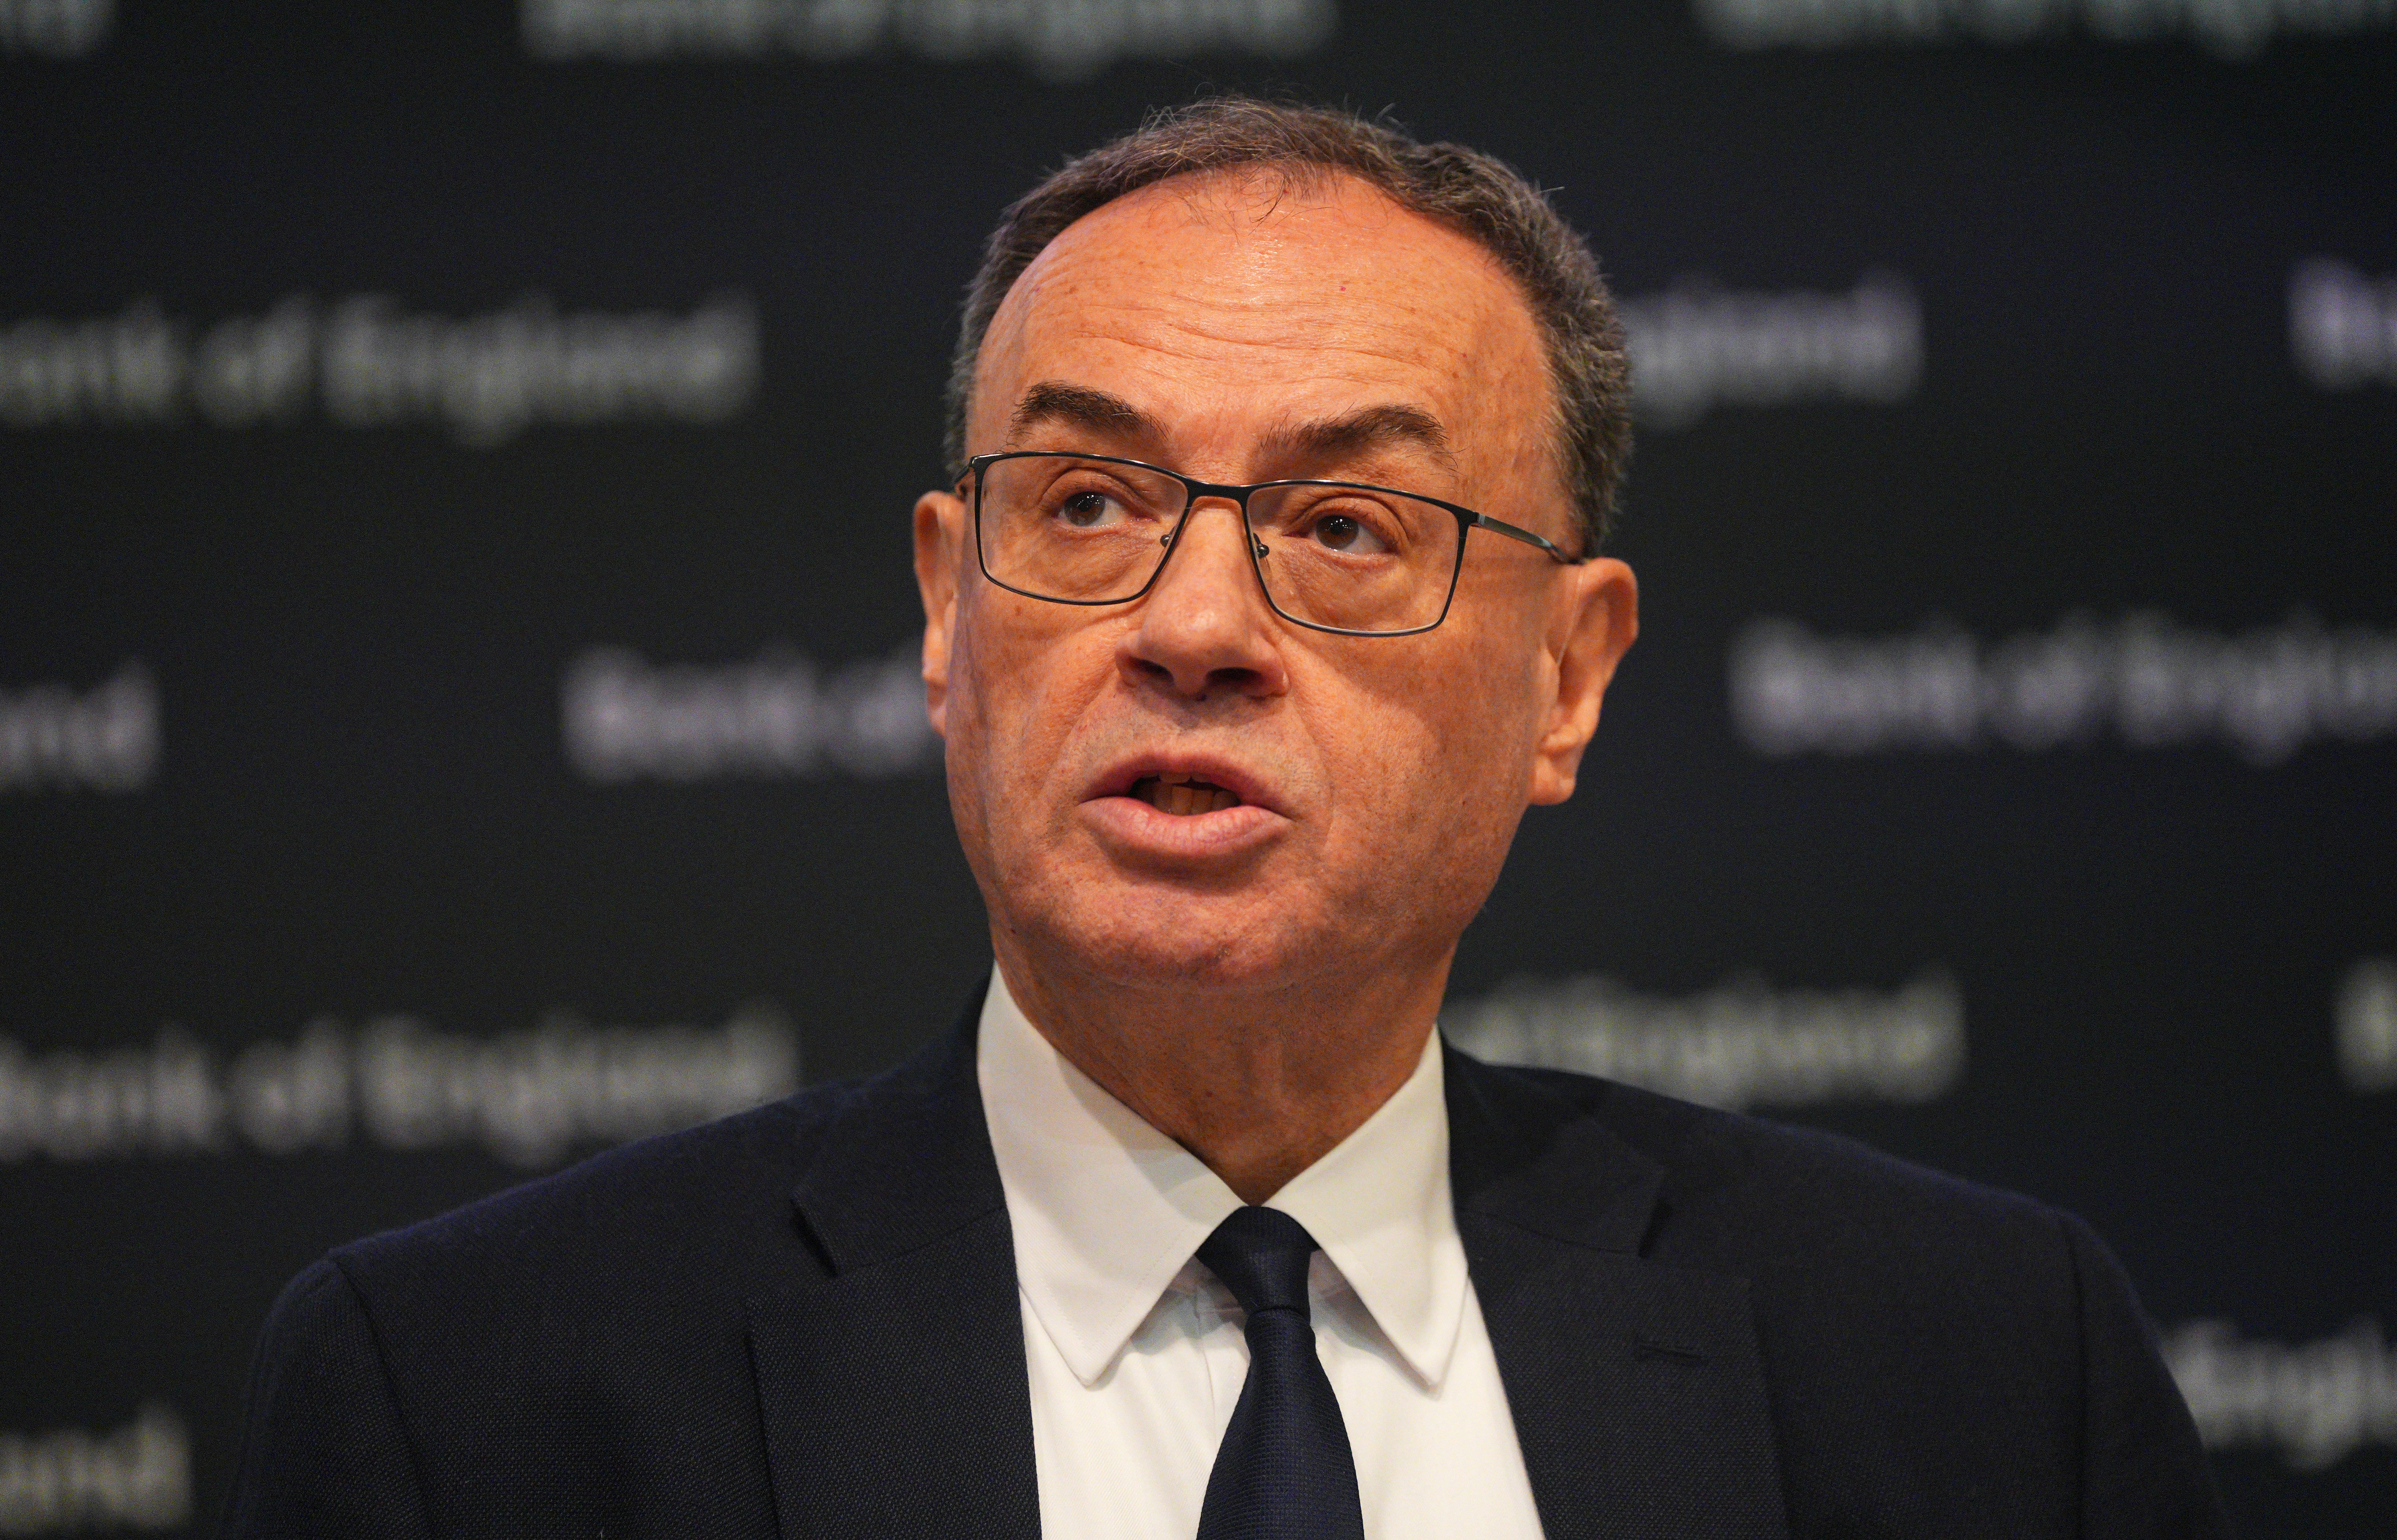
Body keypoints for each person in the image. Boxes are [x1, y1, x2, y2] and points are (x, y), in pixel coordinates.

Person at [223, 98, 2227, 1539]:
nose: (1192, 626)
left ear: (1570, 677)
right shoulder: (472, 1404)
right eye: (1086, 506)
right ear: (948, 608)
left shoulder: (1976, 1375)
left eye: (1349, 527)